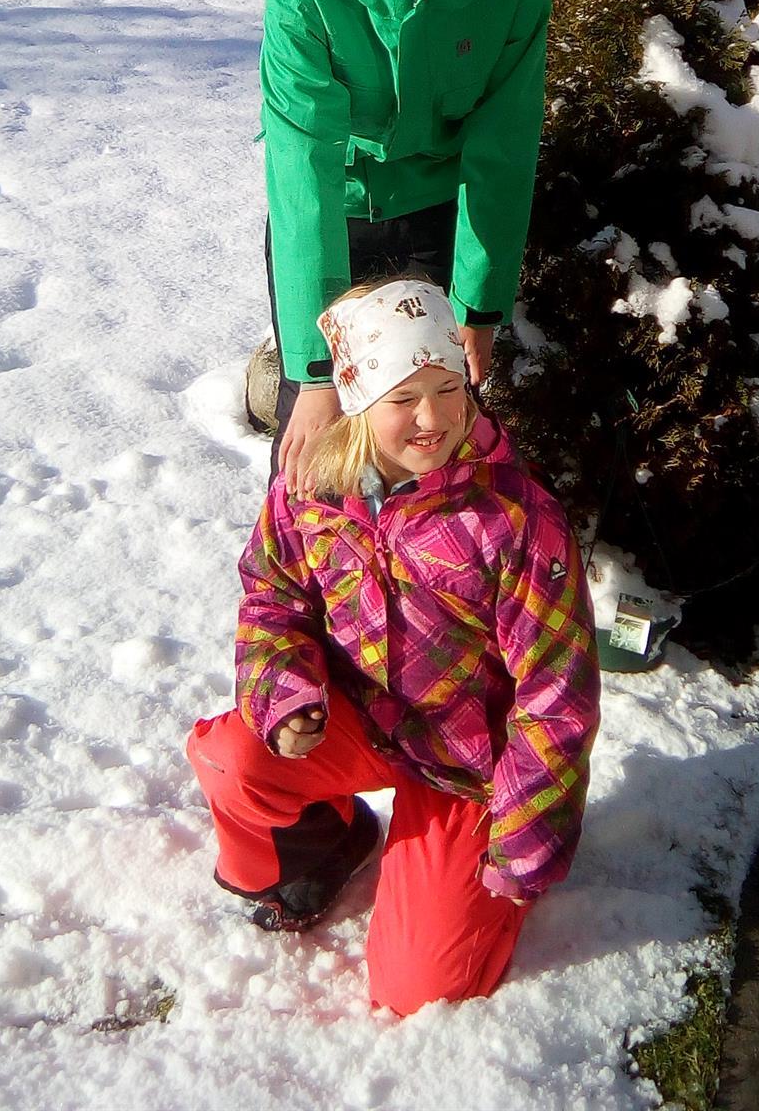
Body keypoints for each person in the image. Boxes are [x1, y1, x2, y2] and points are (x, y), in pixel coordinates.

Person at [187, 277, 599, 1015]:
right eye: (403, 398)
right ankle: (331, 842)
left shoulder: (514, 517)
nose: (432, 417)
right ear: (355, 400)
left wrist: (524, 836)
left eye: (448, 389)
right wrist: (284, 693)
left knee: (418, 986)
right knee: (231, 756)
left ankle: (474, 875)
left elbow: (556, 695)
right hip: (360, 719)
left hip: (468, 765)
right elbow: (274, 595)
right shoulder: (311, 486)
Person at [260, 0, 551, 493]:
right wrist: (317, 374)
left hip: (436, 220)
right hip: (336, 219)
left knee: (428, 428)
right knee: (325, 442)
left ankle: (428, 560)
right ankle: (308, 555)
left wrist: (479, 306)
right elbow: (303, 180)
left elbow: (502, 153)